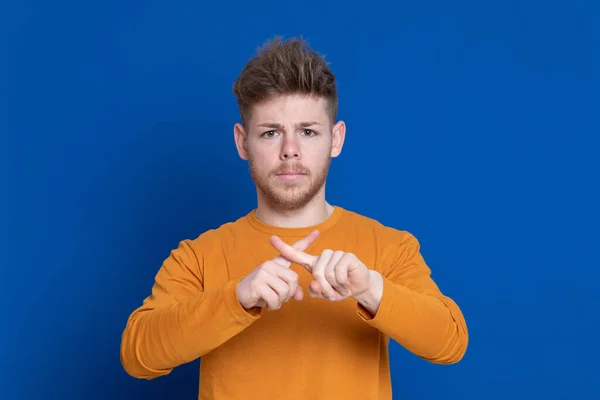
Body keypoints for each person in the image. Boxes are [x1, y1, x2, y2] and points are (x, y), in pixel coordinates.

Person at [120, 36, 469, 400]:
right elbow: (138, 355)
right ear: (242, 143)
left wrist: (369, 288)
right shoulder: (198, 256)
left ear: (336, 139)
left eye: (308, 131)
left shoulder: (389, 247)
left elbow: (450, 342)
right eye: (271, 133)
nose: (290, 151)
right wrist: (236, 298)